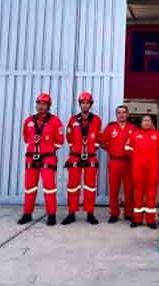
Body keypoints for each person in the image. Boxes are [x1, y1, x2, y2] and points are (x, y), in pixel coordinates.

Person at [19, 92, 65, 226]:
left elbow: (60, 141)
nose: (40, 106)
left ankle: (51, 215)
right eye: (39, 103)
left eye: (44, 104)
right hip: (31, 159)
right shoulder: (28, 121)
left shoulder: (55, 121)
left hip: (47, 159)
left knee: (49, 187)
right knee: (29, 188)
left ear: (48, 106)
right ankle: (27, 214)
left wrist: (47, 150)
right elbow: (26, 138)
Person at [62, 91, 103, 225]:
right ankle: (71, 213)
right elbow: (69, 137)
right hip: (75, 157)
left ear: (91, 104)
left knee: (90, 187)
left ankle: (90, 213)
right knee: (73, 186)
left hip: (90, 157)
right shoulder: (73, 120)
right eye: (83, 103)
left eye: (87, 103)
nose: (85, 105)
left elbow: (99, 137)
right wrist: (77, 148)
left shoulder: (96, 119)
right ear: (80, 104)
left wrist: (93, 147)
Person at [125, 114, 159, 229]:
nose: (146, 122)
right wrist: (136, 158)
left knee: (151, 194)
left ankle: (150, 220)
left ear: (151, 123)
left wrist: (155, 159)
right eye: (144, 120)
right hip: (137, 168)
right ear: (141, 123)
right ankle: (137, 219)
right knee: (137, 193)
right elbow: (127, 149)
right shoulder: (135, 135)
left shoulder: (158, 135)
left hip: (152, 169)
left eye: (148, 120)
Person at [101, 104, 137, 223]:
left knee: (129, 188)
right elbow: (102, 142)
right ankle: (114, 213)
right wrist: (110, 149)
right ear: (116, 114)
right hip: (114, 161)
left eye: (123, 112)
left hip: (128, 162)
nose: (121, 115)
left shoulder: (133, 128)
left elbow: (137, 145)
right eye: (119, 112)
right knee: (114, 188)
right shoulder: (111, 128)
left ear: (127, 114)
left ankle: (128, 213)